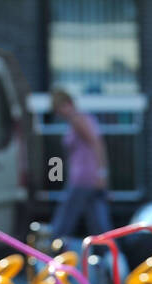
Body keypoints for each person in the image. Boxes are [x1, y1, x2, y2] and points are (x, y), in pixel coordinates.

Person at [48, 87, 110, 241]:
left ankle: (50, 253)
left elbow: (97, 144)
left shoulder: (78, 120)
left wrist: (102, 173)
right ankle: (112, 256)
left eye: (59, 108)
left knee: (63, 222)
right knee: (98, 223)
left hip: (83, 178)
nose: (59, 113)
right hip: (87, 178)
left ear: (68, 104)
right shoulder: (80, 120)